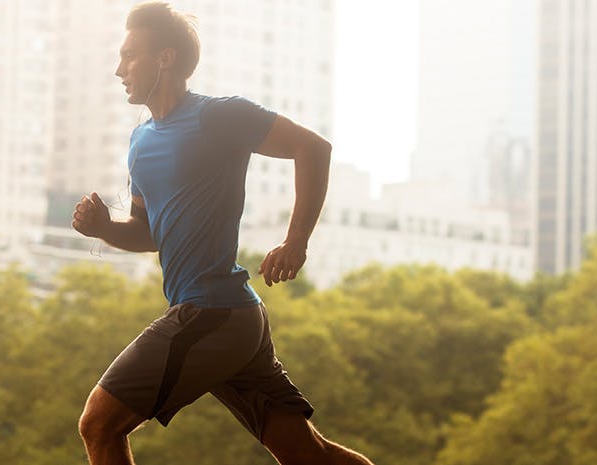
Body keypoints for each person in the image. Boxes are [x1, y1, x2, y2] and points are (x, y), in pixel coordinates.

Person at [71, 2, 375, 464]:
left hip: (211, 311)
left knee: (98, 422)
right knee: (310, 456)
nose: (119, 69)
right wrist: (104, 228)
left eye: (130, 55)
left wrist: (296, 242)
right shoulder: (141, 141)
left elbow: (312, 147)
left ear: (165, 58)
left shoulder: (218, 116)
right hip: (233, 320)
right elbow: (148, 232)